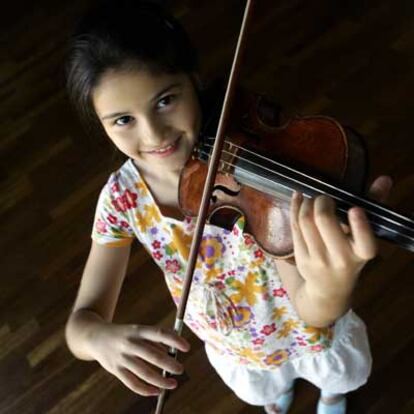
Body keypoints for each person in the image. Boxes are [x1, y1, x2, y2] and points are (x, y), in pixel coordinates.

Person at [64, 1, 393, 413]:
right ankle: (276, 399)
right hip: (235, 348)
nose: (154, 134)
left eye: (165, 100)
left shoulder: (256, 172)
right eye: (122, 120)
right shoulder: (122, 199)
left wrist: (333, 284)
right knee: (268, 393)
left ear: (193, 80)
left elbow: (312, 309)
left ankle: (331, 395)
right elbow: (81, 323)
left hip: (302, 334)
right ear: (100, 123)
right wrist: (97, 338)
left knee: (330, 374)